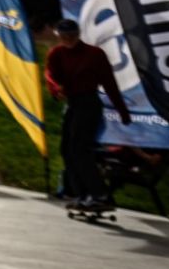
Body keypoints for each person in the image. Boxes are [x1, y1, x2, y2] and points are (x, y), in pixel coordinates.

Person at [45, 19, 133, 211]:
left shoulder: (94, 54)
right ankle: (82, 194)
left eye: (71, 36)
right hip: (72, 104)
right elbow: (50, 74)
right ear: (58, 36)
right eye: (64, 37)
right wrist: (55, 88)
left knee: (80, 149)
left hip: (89, 104)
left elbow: (109, 83)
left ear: (78, 35)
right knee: (66, 150)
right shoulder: (57, 54)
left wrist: (122, 110)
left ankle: (100, 195)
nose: (68, 40)